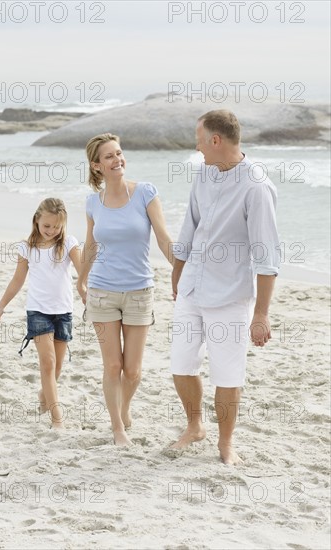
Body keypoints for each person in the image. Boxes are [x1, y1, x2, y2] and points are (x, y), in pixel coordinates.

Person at [170, 110, 280, 464]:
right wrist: (177, 276)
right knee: (181, 364)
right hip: (191, 289)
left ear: (215, 140)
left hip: (230, 296)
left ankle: (225, 443)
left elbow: (266, 257)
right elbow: (190, 228)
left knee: (227, 374)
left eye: (199, 138)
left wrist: (261, 314)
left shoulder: (256, 187)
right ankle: (195, 426)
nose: (197, 146)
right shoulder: (202, 174)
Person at [77, 133, 173, 446]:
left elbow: (162, 237)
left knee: (132, 370)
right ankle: (117, 428)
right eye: (109, 156)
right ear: (96, 165)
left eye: (119, 153)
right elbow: (91, 245)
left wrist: (180, 269)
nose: (117, 160)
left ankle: (124, 408)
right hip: (102, 291)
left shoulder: (145, 192)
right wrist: (81, 277)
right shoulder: (93, 202)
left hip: (139, 291)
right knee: (113, 365)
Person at [0, 198, 81, 429]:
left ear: (64, 225)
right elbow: (18, 280)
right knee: (48, 363)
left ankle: (44, 395)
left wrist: (89, 289)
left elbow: (84, 272)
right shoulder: (27, 247)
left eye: (56, 227)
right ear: (36, 221)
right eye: (46, 226)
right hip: (38, 311)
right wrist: (1, 305)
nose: (51, 231)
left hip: (63, 312)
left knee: (58, 367)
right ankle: (57, 419)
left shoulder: (69, 243)